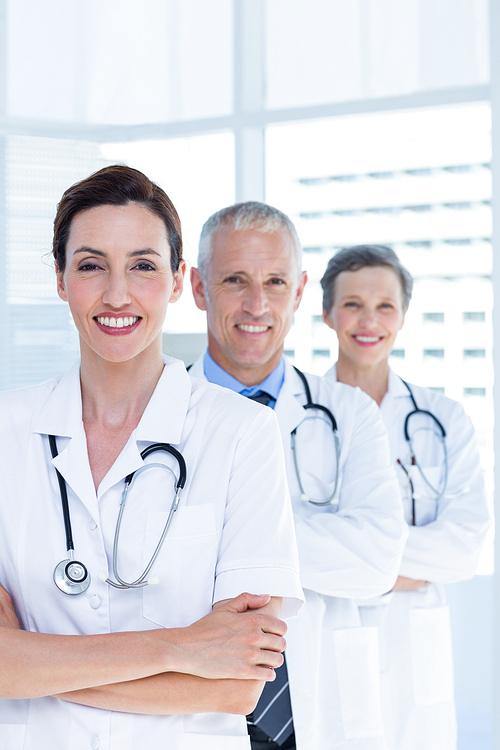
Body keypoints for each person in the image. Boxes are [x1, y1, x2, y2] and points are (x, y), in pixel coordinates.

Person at [0, 166, 304, 750]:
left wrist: (31, 666)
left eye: (142, 265)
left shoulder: (241, 433)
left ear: (175, 280)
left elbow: (237, 688)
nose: (117, 295)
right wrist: (180, 648)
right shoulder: (7, 431)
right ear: (61, 279)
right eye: (91, 265)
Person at [189, 201, 408, 750]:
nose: (257, 304)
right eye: (235, 279)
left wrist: (221, 528)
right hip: (193, 708)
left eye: (276, 281)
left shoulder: (351, 414)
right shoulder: (158, 415)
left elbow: (378, 561)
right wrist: (305, 539)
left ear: (301, 290)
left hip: (322, 704)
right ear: (197, 288)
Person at [320, 244, 490, 750]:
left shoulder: (445, 419)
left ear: (403, 316)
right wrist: (408, 566)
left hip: (419, 643)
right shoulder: (297, 420)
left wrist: (352, 559)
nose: (368, 320)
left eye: (385, 306)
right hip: (330, 639)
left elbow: (464, 547)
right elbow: (291, 548)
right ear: (328, 313)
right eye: (352, 304)